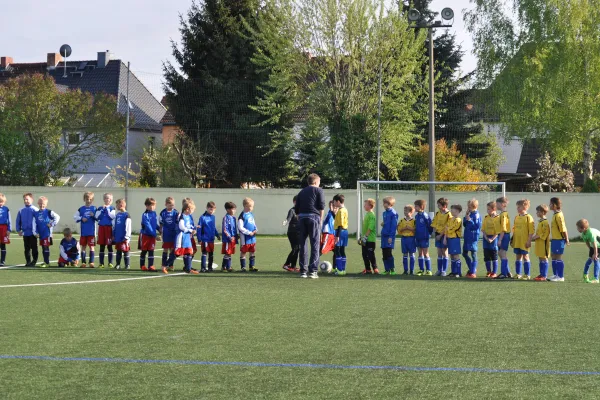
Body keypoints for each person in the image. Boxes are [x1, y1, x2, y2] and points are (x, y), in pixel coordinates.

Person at [295, 173, 326, 279]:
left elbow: (296, 208)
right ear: (316, 182)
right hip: (314, 217)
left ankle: (303, 271)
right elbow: (321, 206)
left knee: (303, 244)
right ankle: (313, 271)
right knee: (315, 244)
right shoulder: (319, 190)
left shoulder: (301, 192)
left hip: (302, 218)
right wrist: (320, 220)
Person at [33, 196, 60, 268]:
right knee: (43, 248)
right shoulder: (36, 213)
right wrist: (35, 232)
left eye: (43, 204)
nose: (42, 205)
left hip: (47, 233)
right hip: (40, 234)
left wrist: (52, 224)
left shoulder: (48, 212)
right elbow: (34, 223)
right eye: (40, 203)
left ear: (46, 204)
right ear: (38, 203)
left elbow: (57, 217)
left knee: (45, 247)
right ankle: (45, 261)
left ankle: (47, 262)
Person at [510, 199, 534, 280]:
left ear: (525, 207)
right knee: (518, 256)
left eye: (519, 207)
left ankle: (527, 274)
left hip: (524, 241)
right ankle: (518, 274)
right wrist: (513, 239)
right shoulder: (516, 217)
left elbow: (531, 231)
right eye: (517, 207)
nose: (517, 209)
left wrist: (529, 241)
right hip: (517, 241)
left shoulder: (528, 217)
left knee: (526, 256)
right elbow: (515, 229)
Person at [74, 192, 97, 268]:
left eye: (90, 199)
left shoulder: (94, 209)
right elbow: (75, 217)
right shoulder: (81, 209)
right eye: (87, 199)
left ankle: (91, 262)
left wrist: (93, 216)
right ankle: (83, 262)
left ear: (92, 200)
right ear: (84, 199)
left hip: (91, 232)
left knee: (91, 247)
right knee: (83, 247)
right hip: (83, 232)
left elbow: (98, 218)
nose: (88, 200)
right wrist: (81, 218)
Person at [176, 199, 198, 274]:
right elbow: (181, 226)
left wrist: (194, 228)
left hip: (190, 235)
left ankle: (188, 266)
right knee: (182, 251)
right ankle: (186, 266)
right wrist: (189, 230)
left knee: (193, 250)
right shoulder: (181, 215)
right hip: (184, 236)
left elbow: (191, 224)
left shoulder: (189, 215)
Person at [549, 197, 569, 282]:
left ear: (554, 205)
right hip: (554, 239)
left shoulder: (559, 215)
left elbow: (563, 229)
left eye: (550, 204)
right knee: (553, 256)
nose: (549, 205)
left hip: (559, 239)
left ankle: (560, 276)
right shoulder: (555, 214)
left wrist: (566, 239)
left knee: (558, 257)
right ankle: (555, 275)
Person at [16, 193, 39, 267]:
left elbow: (38, 221)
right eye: (24, 199)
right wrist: (19, 230)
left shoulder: (35, 210)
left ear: (32, 200)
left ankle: (34, 261)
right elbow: (18, 221)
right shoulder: (21, 210)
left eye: (27, 199)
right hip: (25, 233)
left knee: (34, 248)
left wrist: (38, 232)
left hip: (33, 233)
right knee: (26, 248)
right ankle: (28, 261)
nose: (26, 201)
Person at [198, 201, 221, 273]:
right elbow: (199, 228)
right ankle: (203, 268)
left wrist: (217, 235)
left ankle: (210, 267)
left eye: (213, 209)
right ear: (207, 208)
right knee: (204, 253)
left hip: (211, 239)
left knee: (211, 253)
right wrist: (199, 238)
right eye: (210, 209)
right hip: (205, 239)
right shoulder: (202, 217)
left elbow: (213, 227)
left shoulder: (213, 217)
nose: (212, 211)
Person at [576, 219, 600, 284]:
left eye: (578, 228)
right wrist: (591, 250)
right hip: (594, 246)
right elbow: (587, 243)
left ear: (583, 228)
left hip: (598, 246)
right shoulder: (583, 234)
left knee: (596, 259)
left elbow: (595, 244)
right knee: (589, 260)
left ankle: (596, 278)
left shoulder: (590, 233)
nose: (577, 229)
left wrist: (595, 254)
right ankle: (585, 275)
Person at [238, 197, 259, 272]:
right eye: (251, 206)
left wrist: (255, 229)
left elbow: (253, 223)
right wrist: (249, 232)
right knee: (243, 252)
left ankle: (251, 266)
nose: (252, 208)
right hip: (245, 238)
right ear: (246, 206)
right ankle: (243, 267)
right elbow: (240, 227)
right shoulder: (242, 216)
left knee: (252, 251)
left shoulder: (251, 214)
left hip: (252, 237)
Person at [95, 193, 115, 268]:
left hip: (108, 228)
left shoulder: (112, 208)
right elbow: (97, 217)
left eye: (109, 198)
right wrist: (102, 210)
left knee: (109, 246)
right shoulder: (100, 208)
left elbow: (112, 216)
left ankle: (110, 263)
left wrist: (106, 209)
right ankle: (101, 263)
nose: (108, 199)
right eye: (106, 198)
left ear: (111, 200)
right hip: (101, 228)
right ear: (104, 199)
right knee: (102, 246)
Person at [139, 198, 160, 272]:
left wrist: (159, 228)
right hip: (145, 235)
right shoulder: (145, 215)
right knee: (144, 251)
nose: (152, 207)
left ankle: (151, 266)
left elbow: (154, 224)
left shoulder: (154, 213)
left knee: (151, 250)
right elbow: (148, 227)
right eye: (150, 205)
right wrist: (155, 235)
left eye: (153, 205)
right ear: (146, 206)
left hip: (152, 236)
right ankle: (142, 266)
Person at [462, 199, 482, 277]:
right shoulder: (470, 214)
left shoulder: (476, 215)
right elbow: (464, 224)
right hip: (467, 237)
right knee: (464, 253)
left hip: (473, 237)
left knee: (473, 253)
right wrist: (466, 216)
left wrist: (470, 220)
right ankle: (472, 268)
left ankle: (473, 272)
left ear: (474, 207)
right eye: (468, 207)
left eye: (469, 207)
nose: (468, 208)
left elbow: (477, 227)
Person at [159, 197, 179, 272]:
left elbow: (178, 222)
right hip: (166, 233)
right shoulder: (162, 213)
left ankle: (170, 264)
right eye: (170, 205)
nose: (171, 207)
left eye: (173, 205)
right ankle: (164, 264)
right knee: (165, 249)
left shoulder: (176, 212)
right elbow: (161, 223)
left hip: (174, 233)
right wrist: (160, 232)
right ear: (166, 204)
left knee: (172, 249)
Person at [380, 196, 399, 275]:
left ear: (390, 204)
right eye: (383, 203)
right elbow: (387, 223)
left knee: (388, 252)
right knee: (384, 253)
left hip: (389, 236)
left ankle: (392, 269)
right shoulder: (384, 213)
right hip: (384, 235)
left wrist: (391, 236)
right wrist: (383, 224)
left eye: (385, 203)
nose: (383, 205)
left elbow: (393, 226)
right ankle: (386, 269)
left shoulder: (393, 213)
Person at [414, 199, 433, 276]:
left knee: (426, 253)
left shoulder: (425, 216)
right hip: (418, 237)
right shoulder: (416, 216)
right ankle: (421, 270)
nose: (415, 207)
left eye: (416, 206)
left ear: (421, 207)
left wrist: (428, 234)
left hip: (424, 237)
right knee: (420, 253)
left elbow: (430, 226)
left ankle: (428, 270)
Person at [360, 198, 378, 274]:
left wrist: (365, 237)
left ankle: (375, 268)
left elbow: (370, 228)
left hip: (370, 239)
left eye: (366, 204)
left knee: (370, 254)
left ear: (370, 206)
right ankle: (368, 269)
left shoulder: (372, 215)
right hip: (365, 239)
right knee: (364, 254)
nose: (364, 206)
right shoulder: (367, 214)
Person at [482, 202, 500, 278]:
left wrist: (492, 239)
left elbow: (498, 231)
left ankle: (494, 272)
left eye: (489, 209)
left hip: (494, 238)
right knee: (486, 256)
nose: (487, 210)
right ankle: (488, 271)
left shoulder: (498, 218)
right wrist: (486, 237)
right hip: (486, 238)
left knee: (494, 256)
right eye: (487, 209)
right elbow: (483, 229)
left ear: (494, 209)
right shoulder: (486, 217)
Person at [432, 198, 450, 276]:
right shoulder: (437, 213)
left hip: (444, 235)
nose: (438, 206)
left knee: (444, 252)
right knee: (439, 252)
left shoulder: (449, 214)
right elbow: (434, 224)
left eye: (439, 205)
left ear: (444, 206)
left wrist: (441, 235)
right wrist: (436, 234)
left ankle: (444, 271)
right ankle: (439, 270)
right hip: (438, 235)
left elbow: (447, 227)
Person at [282, 196, 300, 272]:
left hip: (299, 232)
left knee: (298, 249)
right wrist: (285, 222)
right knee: (295, 248)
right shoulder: (292, 210)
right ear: (294, 202)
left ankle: (293, 266)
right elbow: (288, 219)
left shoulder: (301, 210)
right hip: (292, 232)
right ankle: (286, 264)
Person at [533, 205, 550, 281]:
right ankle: (541, 274)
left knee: (544, 258)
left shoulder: (545, 222)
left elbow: (545, 233)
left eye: (538, 211)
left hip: (543, 244)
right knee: (540, 258)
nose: (536, 213)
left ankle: (544, 275)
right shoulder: (541, 221)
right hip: (539, 243)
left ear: (543, 212)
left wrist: (535, 237)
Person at [444, 204, 463, 278]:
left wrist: (448, 228)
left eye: (453, 210)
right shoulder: (450, 219)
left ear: (457, 211)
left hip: (455, 239)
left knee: (456, 255)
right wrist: (445, 238)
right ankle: (453, 272)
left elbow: (452, 229)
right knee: (451, 255)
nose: (451, 211)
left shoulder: (458, 220)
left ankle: (458, 272)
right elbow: (446, 228)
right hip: (449, 239)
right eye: (451, 210)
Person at [113, 198, 131, 270]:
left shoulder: (127, 215)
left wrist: (127, 236)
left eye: (117, 205)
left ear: (121, 205)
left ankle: (127, 265)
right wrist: (113, 235)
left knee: (125, 251)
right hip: (118, 236)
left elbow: (128, 226)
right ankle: (118, 264)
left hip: (124, 237)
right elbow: (115, 225)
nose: (116, 207)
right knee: (118, 251)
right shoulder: (117, 215)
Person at [333, 194, 349, 276]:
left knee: (337, 250)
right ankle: (343, 270)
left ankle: (339, 270)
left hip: (340, 231)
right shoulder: (345, 209)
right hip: (345, 231)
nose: (334, 204)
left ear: (338, 201)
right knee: (342, 250)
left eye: (334, 202)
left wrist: (337, 236)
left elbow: (340, 224)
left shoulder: (340, 211)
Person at [397, 204, 416, 275]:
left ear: (411, 212)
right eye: (404, 211)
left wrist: (410, 228)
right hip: (404, 238)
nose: (405, 212)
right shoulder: (402, 221)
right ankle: (405, 270)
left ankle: (411, 270)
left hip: (411, 239)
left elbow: (416, 230)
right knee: (405, 254)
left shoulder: (414, 221)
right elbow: (399, 231)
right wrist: (404, 229)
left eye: (406, 211)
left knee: (412, 254)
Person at [496, 197, 512, 278]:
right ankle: (507, 272)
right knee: (500, 253)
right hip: (503, 235)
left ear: (502, 204)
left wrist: (500, 239)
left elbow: (503, 228)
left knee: (502, 253)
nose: (496, 205)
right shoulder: (503, 214)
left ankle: (504, 273)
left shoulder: (503, 215)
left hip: (504, 235)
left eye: (497, 203)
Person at [320, 201, 337, 271]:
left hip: (333, 236)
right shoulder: (330, 214)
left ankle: (335, 268)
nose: (335, 209)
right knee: (320, 251)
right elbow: (325, 222)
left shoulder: (336, 214)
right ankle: (311, 266)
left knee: (337, 251)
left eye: (335, 207)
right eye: (333, 207)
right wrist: (331, 209)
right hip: (328, 235)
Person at [221, 201, 238, 272]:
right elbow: (225, 229)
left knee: (230, 253)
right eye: (232, 209)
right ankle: (225, 267)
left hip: (233, 239)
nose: (234, 211)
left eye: (235, 209)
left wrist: (236, 236)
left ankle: (228, 267)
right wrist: (229, 237)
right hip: (228, 239)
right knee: (227, 252)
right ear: (228, 210)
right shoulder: (226, 218)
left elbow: (234, 229)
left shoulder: (233, 218)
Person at [0, 193, 12, 267]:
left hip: (4, 228)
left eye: (2, 202)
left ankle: (2, 261)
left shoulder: (6, 209)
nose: (0, 203)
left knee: (3, 245)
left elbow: (9, 219)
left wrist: (9, 229)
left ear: (4, 202)